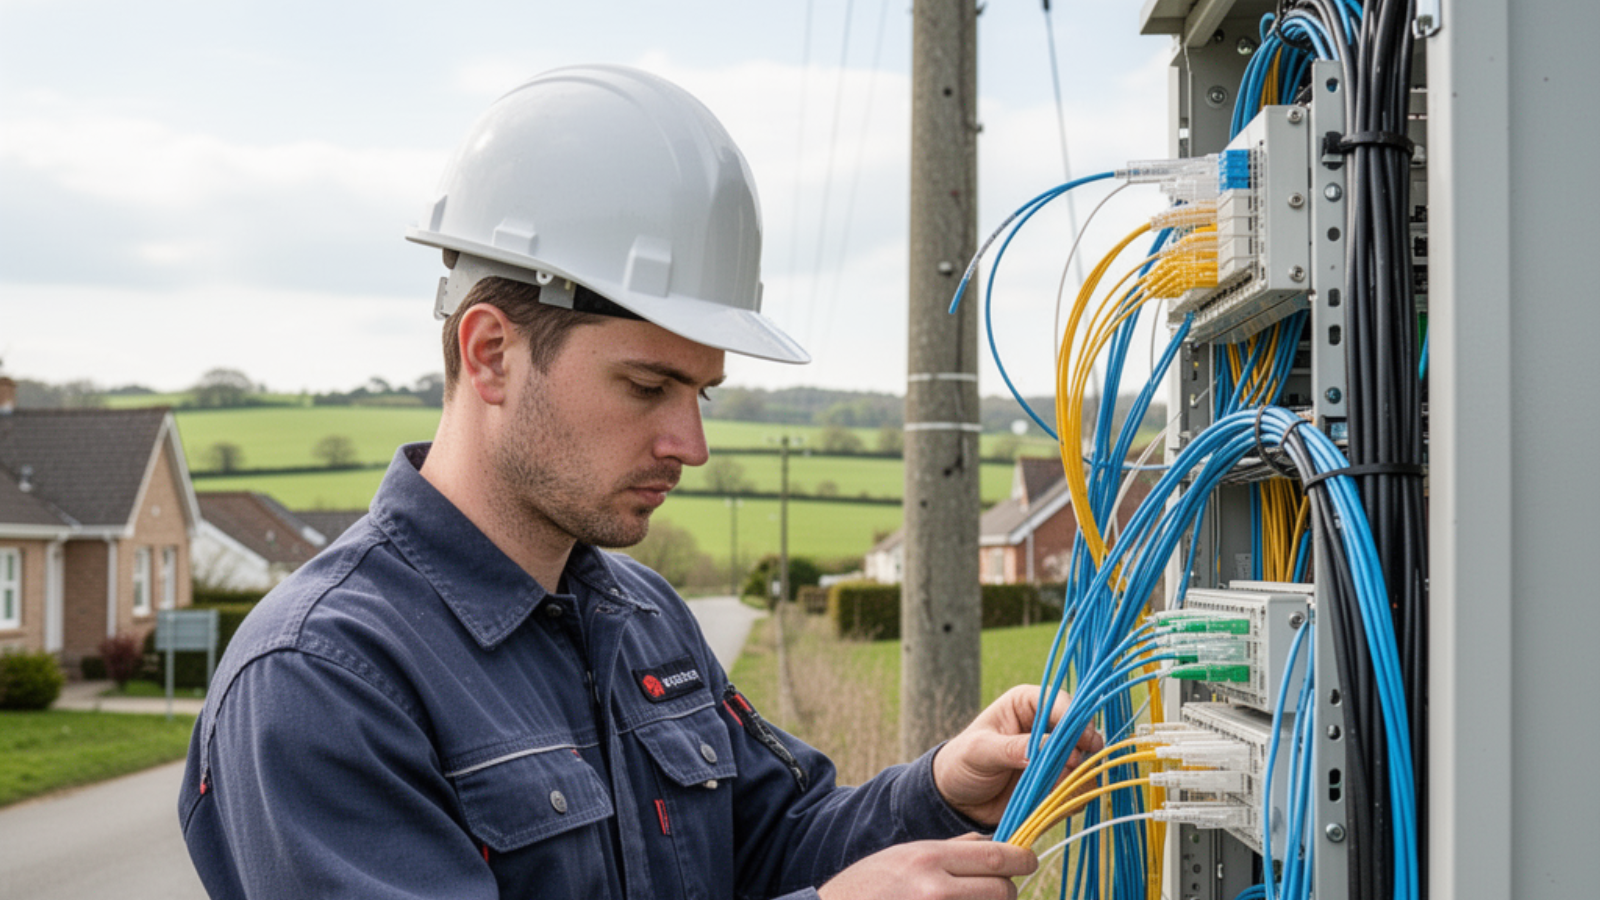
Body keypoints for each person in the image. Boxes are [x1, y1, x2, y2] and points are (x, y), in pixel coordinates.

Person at [178, 64, 1100, 900]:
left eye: (699, 391)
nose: (690, 443)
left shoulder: (642, 616)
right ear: (491, 353)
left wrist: (941, 790)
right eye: (648, 386)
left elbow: (774, 844)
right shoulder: (323, 678)